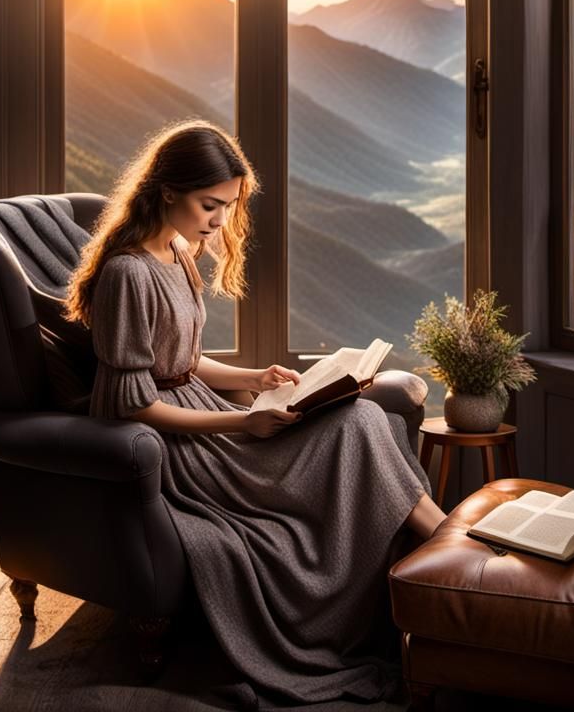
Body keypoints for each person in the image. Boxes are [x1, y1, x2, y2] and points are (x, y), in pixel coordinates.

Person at [65, 119, 446, 707]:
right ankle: (454, 553)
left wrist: (256, 377)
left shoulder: (177, 248)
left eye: (228, 206)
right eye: (209, 205)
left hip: (204, 410)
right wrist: (243, 422)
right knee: (362, 425)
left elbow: (185, 362)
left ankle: (449, 552)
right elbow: (131, 402)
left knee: (364, 419)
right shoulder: (126, 274)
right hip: (181, 448)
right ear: (167, 191)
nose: (219, 222)